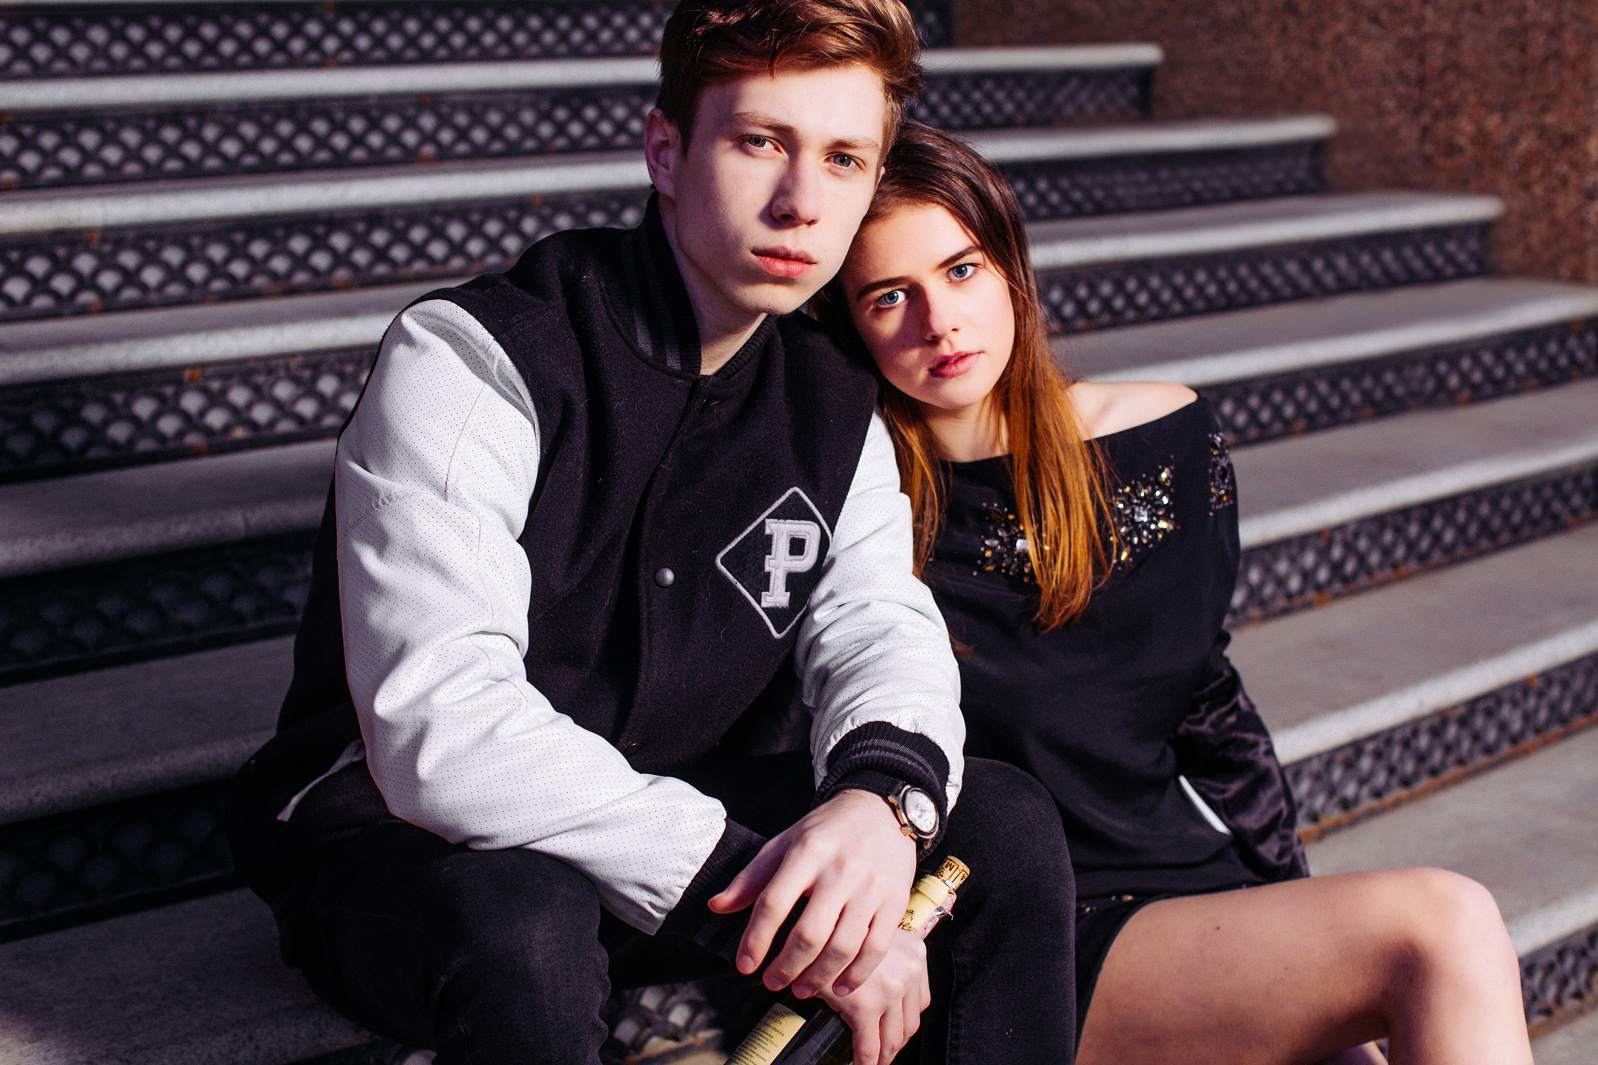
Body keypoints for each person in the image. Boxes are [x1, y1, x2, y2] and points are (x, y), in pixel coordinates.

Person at [224, 5, 1078, 1065]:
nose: (801, 201)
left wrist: (879, 805)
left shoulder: (829, 394)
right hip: (404, 840)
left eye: (843, 158)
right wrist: (769, 896)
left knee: (996, 822)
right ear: (665, 151)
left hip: (670, 821)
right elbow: (441, 728)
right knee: (524, 921)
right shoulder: (473, 358)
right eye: (759, 141)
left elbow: (878, 625)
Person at [820, 120, 1535, 1065]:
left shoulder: (1164, 442)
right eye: (889, 296)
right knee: (1444, 924)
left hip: (1186, 888)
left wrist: (1292, 917)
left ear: (1011, 270)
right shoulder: (863, 516)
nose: (939, 322)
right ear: (851, 324)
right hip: (1020, 932)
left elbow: (1207, 701)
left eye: (961, 270)